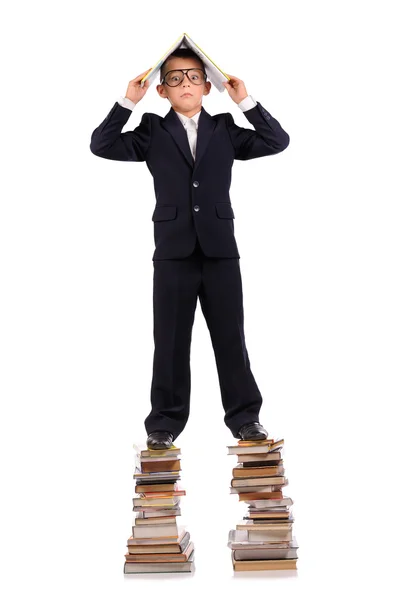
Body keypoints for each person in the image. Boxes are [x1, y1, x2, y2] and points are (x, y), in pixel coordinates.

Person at [90, 48, 290, 449]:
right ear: (161, 90)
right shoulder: (150, 130)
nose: (186, 83)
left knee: (231, 339)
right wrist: (128, 99)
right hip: (172, 253)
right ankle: (163, 423)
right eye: (176, 78)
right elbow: (102, 144)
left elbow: (276, 140)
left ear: (207, 86)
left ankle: (246, 418)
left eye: (195, 76)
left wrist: (244, 100)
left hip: (220, 251)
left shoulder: (225, 129)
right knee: (170, 340)